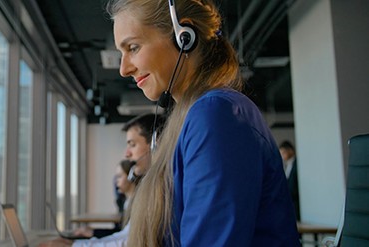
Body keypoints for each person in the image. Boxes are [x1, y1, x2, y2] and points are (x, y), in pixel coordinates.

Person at [107, 0, 301, 246]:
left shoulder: (215, 115)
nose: (123, 69)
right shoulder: (195, 116)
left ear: (183, 37)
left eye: (133, 47)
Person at [39, 113, 164, 247]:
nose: (126, 154)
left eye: (132, 145)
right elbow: (126, 236)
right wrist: (76, 243)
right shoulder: (151, 187)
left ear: (155, 145)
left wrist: (75, 245)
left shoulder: (162, 190)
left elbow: (128, 243)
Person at [280, 140, 300, 221]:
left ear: (290, 150)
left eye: (284, 152)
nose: (282, 155)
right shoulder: (286, 165)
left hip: (296, 203)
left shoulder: (297, 164)